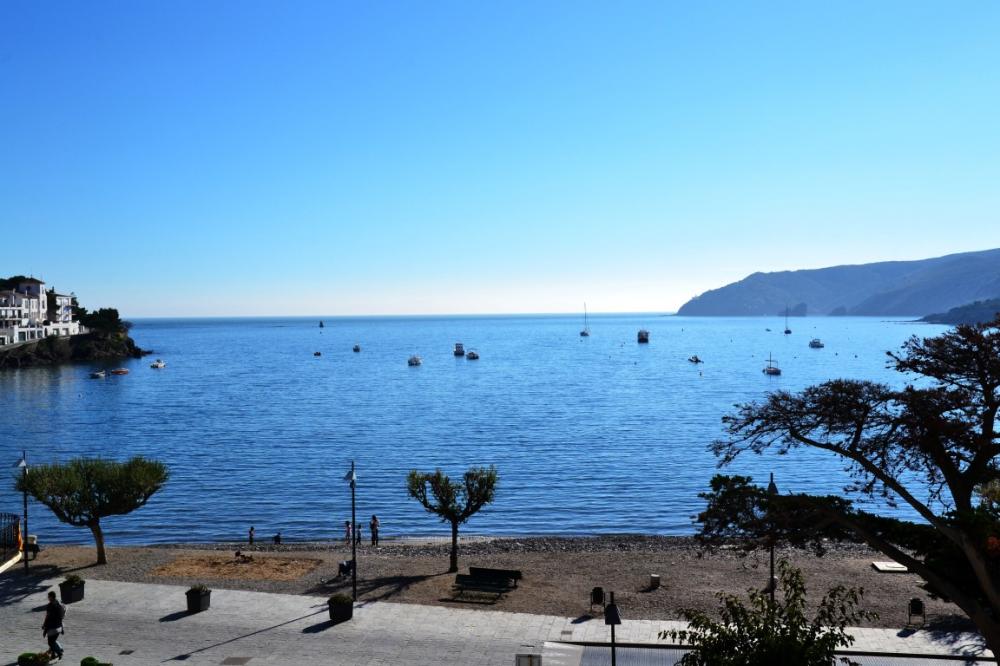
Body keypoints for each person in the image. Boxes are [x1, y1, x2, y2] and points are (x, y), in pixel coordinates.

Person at [42, 590, 65, 660]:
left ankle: (59, 652)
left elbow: (48, 616)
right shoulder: (59, 604)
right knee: (53, 641)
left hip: (52, 627)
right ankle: (53, 654)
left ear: (51, 597)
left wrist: (44, 625)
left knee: (50, 642)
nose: (48, 598)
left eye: (48, 596)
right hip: (59, 626)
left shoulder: (50, 605)